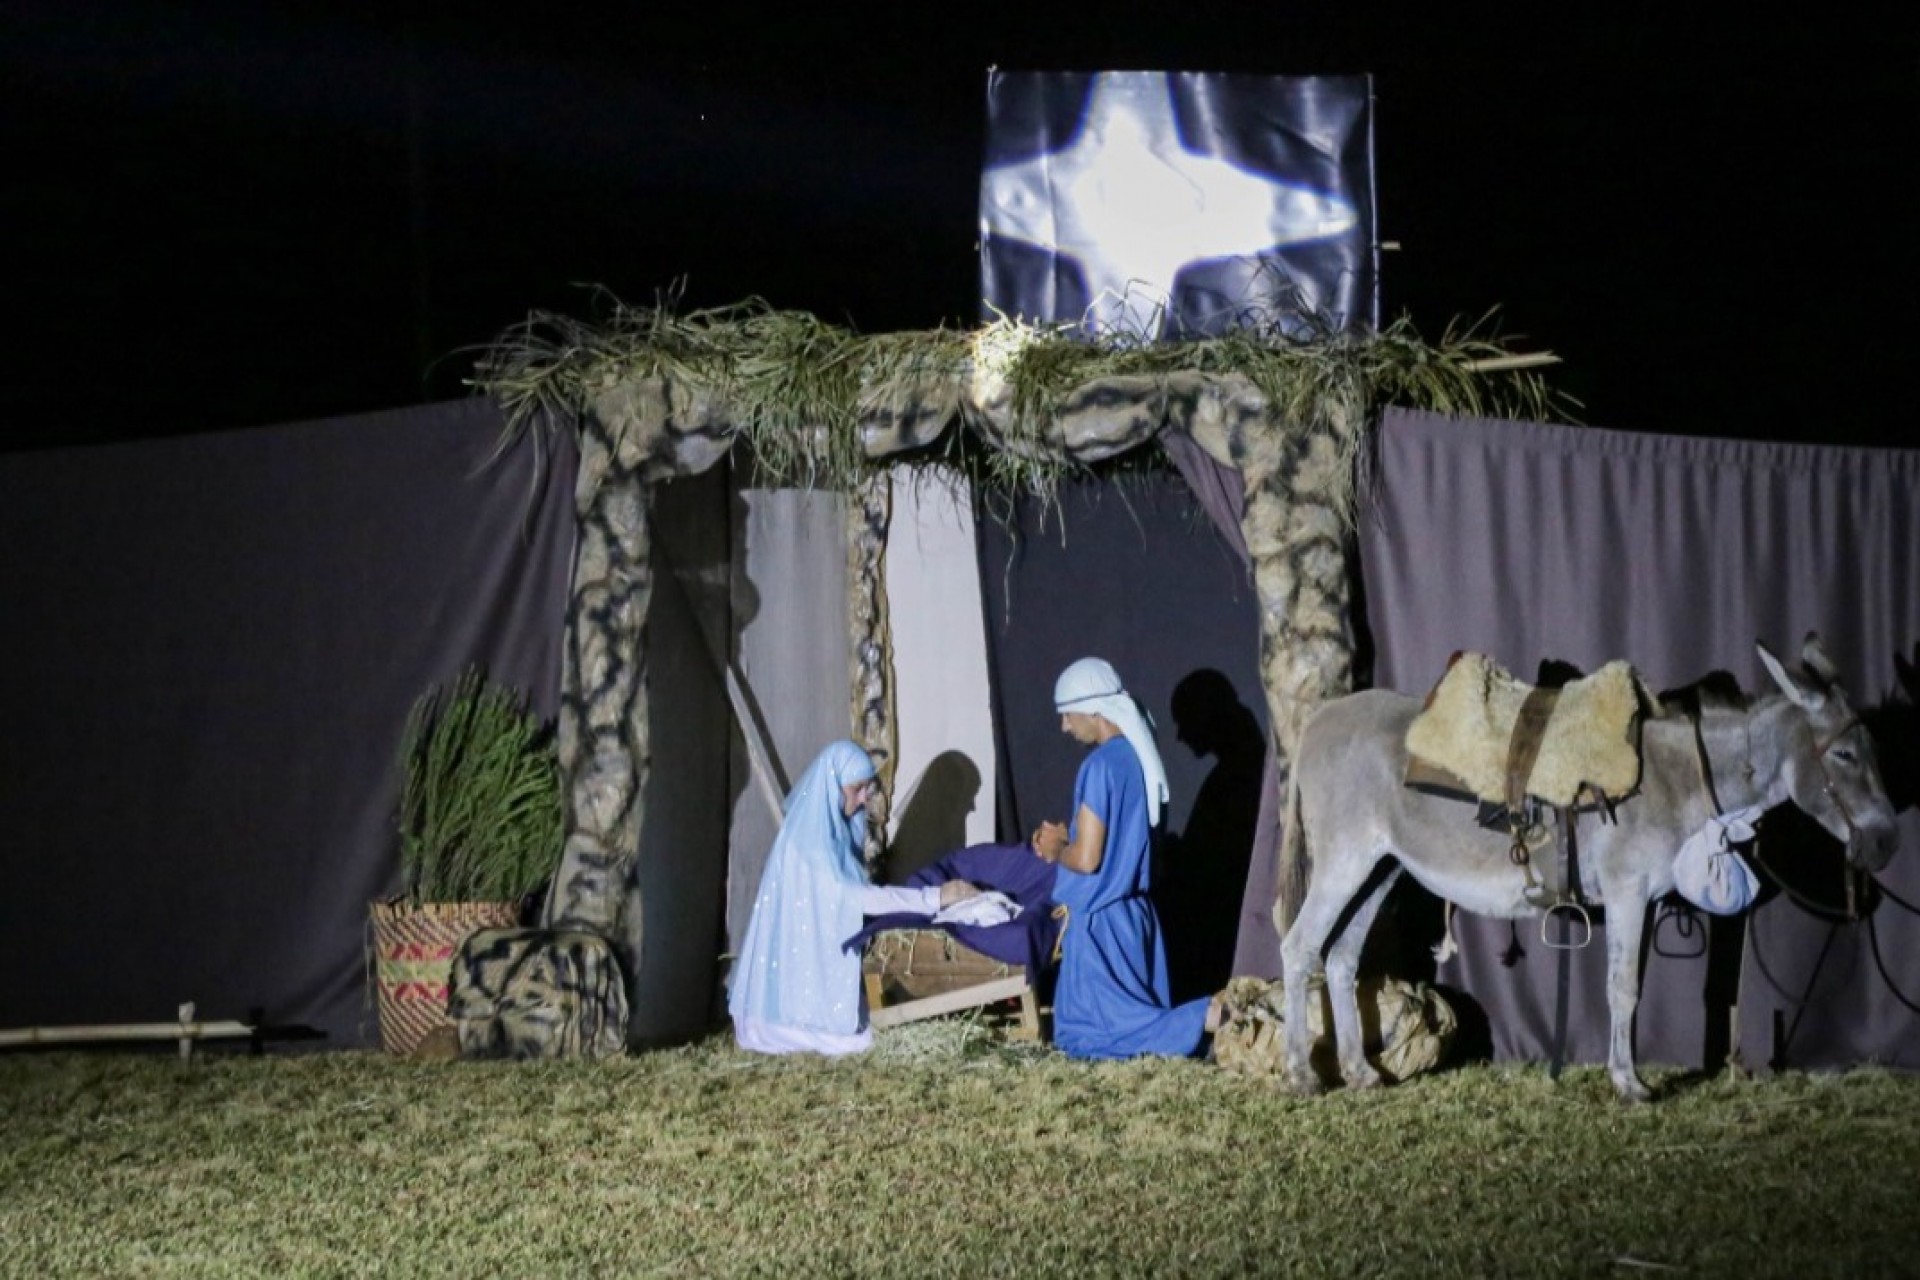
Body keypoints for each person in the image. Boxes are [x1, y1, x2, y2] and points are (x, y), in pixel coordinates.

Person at [728, 739, 979, 1056]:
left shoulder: (829, 831)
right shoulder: (810, 846)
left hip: (805, 982)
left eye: (865, 789)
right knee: (868, 1039)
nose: (862, 800)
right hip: (781, 1009)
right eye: (855, 789)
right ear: (833, 786)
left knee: (878, 1023)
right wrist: (935, 897)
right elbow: (857, 899)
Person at [1044, 657, 1217, 1059]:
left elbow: (1087, 861)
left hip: (1103, 925)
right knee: (1093, 1032)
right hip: (1135, 919)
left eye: (1067, 715)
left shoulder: (1099, 766)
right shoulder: (1139, 758)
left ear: (1092, 709)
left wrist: (1055, 848)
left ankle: (1210, 1016)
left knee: (1095, 1038)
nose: (1064, 727)